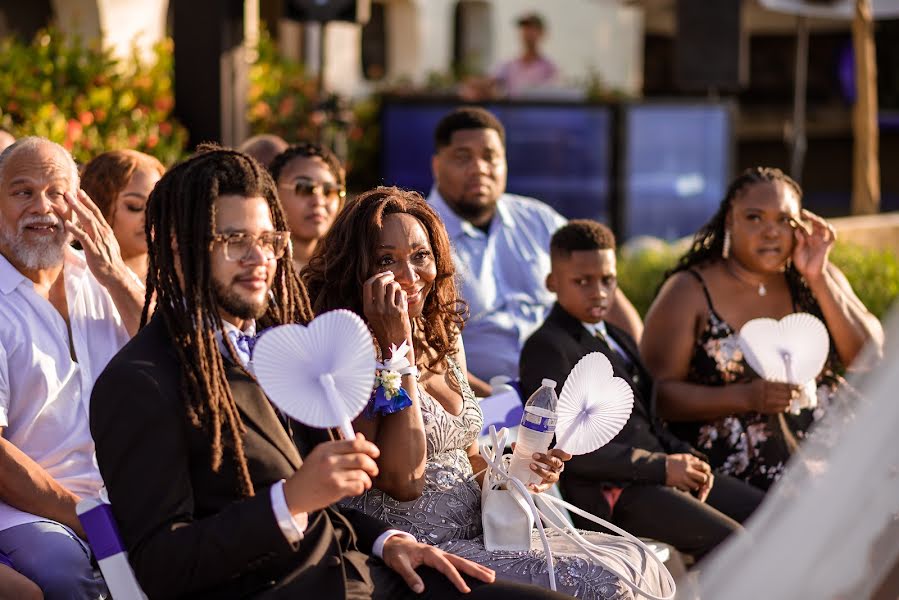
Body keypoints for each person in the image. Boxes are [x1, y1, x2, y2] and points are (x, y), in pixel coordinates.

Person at [89, 147, 569, 600]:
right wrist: (289, 501)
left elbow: (333, 507)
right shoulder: (139, 381)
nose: (260, 260)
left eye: (268, 241)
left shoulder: (275, 350)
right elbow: (160, 566)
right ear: (177, 248)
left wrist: (387, 541)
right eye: (235, 242)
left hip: (366, 572)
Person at [304, 187, 673, 599]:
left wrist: (515, 473)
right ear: (357, 269)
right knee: (604, 584)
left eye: (420, 256)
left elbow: (470, 454)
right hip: (421, 550)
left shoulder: (444, 334)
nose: (409, 275)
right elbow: (403, 479)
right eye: (386, 260)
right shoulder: (351, 350)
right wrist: (397, 351)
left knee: (636, 559)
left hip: (488, 528)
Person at [519, 220, 764, 561]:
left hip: (655, 473)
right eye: (582, 282)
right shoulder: (547, 346)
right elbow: (569, 448)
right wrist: (662, 467)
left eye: (607, 280)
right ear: (552, 282)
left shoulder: (616, 336)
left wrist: (688, 459)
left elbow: (647, 421)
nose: (599, 292)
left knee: (769, 512)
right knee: (732, 540)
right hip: (614, 490)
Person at [641, 167, 884, 490]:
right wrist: (746, 396)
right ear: (730, 220)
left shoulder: (816, 278)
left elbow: (869, 359)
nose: (771, 231)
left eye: (785, 220)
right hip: (741, 463)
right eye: (755, 217)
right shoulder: (689, 290)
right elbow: (657, 396)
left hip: (836, 442)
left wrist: (819, 278)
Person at [0, 137, 145, 597]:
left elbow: (185, 367)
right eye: (23, 192)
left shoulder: (103, 279)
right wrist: (90, 519)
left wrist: (118, 272)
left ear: (79, 204)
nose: (42, 206)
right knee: (66, 574)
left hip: (126, 499)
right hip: (31, 513)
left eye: (57, 192)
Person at [427, 106, 643, 395]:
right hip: (479, 405)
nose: (479, 168)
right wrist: (502, 402)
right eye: (463, 157)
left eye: (490, 157)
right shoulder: (422, 236)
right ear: (437, 165)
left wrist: (641, 369)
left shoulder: (539, 220)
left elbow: (608, 294)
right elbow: (423, 349)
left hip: (573, 396)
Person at [80, 149, 165, 286]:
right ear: (98, 207)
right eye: (134, 206)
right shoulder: (77, 279)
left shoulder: (180, 282)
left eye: (159, 206)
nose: (151, 217)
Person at [269, 142, 346, 271]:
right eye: (304, 188)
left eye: (329, 191)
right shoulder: (258, 268)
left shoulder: (349, 271)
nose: (318, 201)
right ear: (274, 193)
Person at [492, 13, 559, 98]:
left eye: (532, 28)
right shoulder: (507, 65)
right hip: (512, 110)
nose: (527, 33)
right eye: (524, 28)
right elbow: (491, 85)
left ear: (541, 33)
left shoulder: (550, 68)